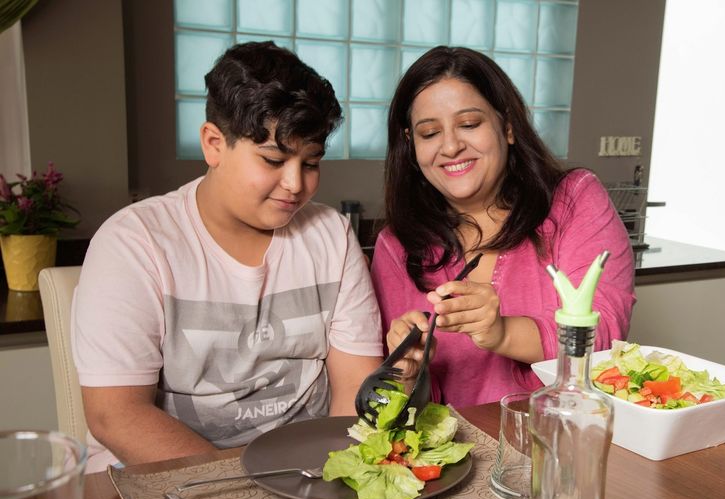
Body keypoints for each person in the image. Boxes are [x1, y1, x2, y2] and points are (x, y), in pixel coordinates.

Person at [72, 42, 383, 472]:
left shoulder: (330, 233)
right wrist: (240, 491)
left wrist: (330, 477)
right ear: (214, 144)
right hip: (167, 478)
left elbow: (355, 384)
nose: (295, 184)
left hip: (306, 472)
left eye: (311, 162)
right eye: (273, 159)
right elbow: (117, 415)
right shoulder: (135, 242)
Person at [371, 46, 636, 408]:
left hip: (559, 439)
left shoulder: (575, 200)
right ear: (411, 146)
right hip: (451, 458)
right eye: (429, 133)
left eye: (469, 124)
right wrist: (406, 371)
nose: (450, 146)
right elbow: (407, 405)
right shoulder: (396, 245)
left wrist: (502, 332)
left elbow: (603, 338)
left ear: (507, 126)